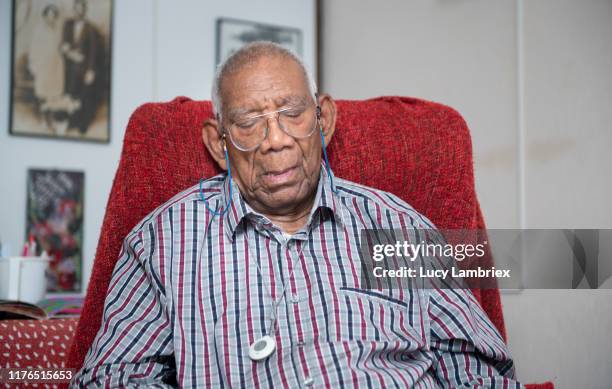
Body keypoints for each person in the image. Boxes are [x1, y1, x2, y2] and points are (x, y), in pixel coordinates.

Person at [71, 41, 524, 388]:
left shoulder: (399, 226)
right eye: (249, 121)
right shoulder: (163, 243)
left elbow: (479, 370)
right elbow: (114, 378)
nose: (276, 140)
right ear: (217, 142)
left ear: (322, 119)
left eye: (292, 113)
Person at [60, 0, 100, 134]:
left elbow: (94, 52)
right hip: (69, 69)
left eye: (81, 9)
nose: (79, 11)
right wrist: (70, 53)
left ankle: (83, 124)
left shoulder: (91, 28)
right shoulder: (67, 25)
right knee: (70, 96)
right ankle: (71, 121)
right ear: (74, 9)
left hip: (84, 70)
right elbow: (63, 46)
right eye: (76, 9)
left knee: (84, 97)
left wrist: (90, 71)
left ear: (85, 10)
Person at [28, 3, 65, 127]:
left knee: (53, 95)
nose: (51, 19)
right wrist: (34, 66)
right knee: (42, 94)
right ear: (44, 17)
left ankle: (51, 118)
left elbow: (59, 47)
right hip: (43, 66)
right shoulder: (38, 31)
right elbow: (34, 50)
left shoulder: (57, 30)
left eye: (53, 16)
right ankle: (43, 119)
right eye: (48, 16)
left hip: (55, 66)